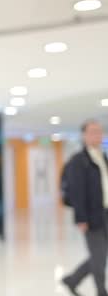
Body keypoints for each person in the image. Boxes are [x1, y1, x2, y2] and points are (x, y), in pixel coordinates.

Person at [62, 120, 108, 296]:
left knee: (100, 255)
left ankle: (72, 280)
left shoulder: (102, 157)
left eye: (99, 131)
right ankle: (101, 292)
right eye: (93, 131)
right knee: (99, 257)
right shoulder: (78, 161)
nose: (97, 134)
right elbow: (76, 192)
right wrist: (81, 218)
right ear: (84, 136)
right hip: (91, 215)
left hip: (106, 213)